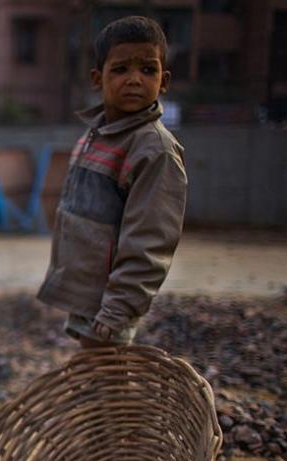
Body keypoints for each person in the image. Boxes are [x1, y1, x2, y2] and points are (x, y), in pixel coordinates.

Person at [37, 15, 188, 348]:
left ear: (163, 81)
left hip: (110, 302)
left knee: (109, 383)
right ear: (97, 78)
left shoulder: (153, 150)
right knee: (98, 381)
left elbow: (150, 240)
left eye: (147, 70)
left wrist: (119, 308)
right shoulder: (100, 134)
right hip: (89, 296)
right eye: (120, 70)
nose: (134, 80)